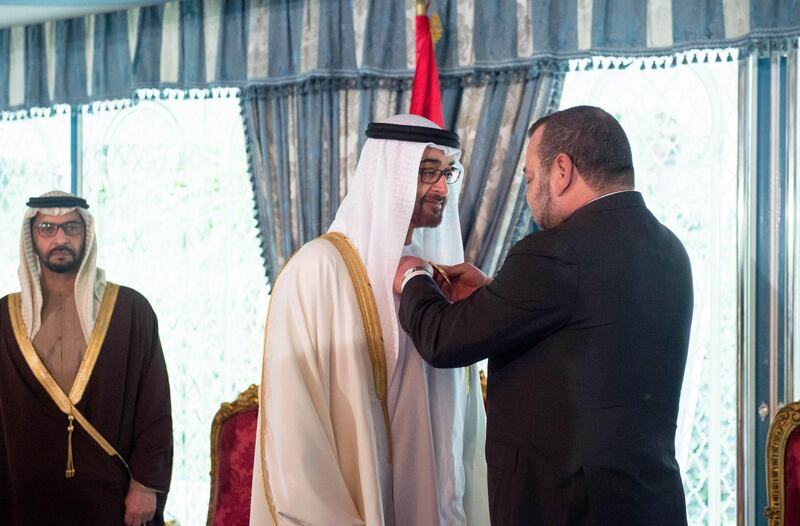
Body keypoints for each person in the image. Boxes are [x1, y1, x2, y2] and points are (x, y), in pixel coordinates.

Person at [395, 106, 693, 525]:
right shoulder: (671, 249)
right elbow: (586, 327)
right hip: (649, 504)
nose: (530, 194)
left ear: (562, 170)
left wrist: (415, 276)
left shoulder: (554, 251)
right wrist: (493, 294)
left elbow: (443, 340)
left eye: (531, 178)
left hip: (565, 508)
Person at [250, 114, 489, 525]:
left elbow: (462, 426)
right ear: (388, 177)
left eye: (445, 172)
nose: (440, 188)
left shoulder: (433, 280)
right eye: (426, 172)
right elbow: (296, 429)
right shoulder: (318, 272)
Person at [0, 191, 173, 526]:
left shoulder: (130, 312)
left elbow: (154, 407)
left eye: (71, 228)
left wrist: (146, 486)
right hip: (23, 498)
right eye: (47, 228)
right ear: (31, 237)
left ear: (86, 235)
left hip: (111, 497)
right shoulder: (5, 319)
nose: (60, 238)